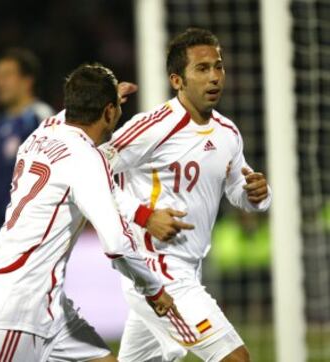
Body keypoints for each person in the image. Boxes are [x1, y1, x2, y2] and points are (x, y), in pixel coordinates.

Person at [0, 64, 181, 362]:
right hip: (17, 311)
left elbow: (71, 115)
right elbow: (117, 246)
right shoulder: (86, 159)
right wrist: (154, 290)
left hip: (50, 309)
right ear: (109, 112)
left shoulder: (40, 134)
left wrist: (103, 97)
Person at [99, 28, 272, 362]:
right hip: (155, 270)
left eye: (218, 67)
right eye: (202, 69)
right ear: (177, 80)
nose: (214, 78)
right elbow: (93, 173)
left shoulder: (228, 133)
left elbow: (240, 189)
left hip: (187, 267)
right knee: (235, 358)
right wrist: (144, 216)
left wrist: (258, 194)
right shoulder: (153, 126)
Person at [0, 48, 54, 272]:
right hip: (1, 235)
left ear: (27, 80)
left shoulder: (41, 119)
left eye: (7, 75)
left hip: (31, 235)